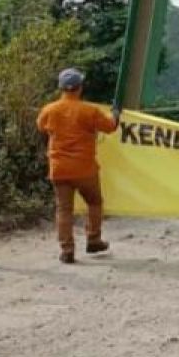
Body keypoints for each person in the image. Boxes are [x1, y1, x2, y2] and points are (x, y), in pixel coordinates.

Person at [37, 68, 121, 264]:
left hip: (59, 168)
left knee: (64, 210)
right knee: (94, 202)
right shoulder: (90, 110)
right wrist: (116, 113)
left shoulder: (49, 110)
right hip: (85, 168)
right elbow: (110, 127)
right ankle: (93, 239)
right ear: (80, 88)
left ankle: (67, 250)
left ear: (61, 88)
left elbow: (41, 126)